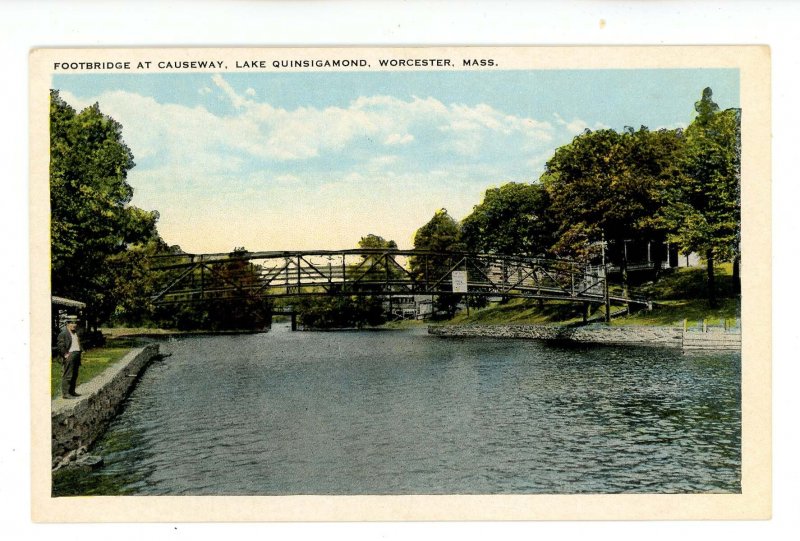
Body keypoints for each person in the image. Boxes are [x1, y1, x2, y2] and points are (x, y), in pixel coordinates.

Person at [56, 315, 82, 399]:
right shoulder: (63, 333)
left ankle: (72, 391)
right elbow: (60, 346)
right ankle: (66, 393)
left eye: (75, 323)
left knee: (75, 374)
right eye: (71, 323)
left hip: (77, 355)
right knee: (68, 375)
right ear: (67, 323)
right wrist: (65, 355)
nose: (74, 325)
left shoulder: (75, 333)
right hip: (70, 355)